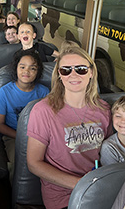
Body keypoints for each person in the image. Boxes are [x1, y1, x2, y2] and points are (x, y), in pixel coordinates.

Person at [27, 45, 112, 209]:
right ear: (59, 75)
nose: (73, 75)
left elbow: (109, 152)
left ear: (91, 72)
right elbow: (34, 163)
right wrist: (81, 184)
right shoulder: (44, 111)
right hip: (63, 196)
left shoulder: (103, 109)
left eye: (81, 69)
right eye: (66, 70)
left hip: (99, 188)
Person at [0, 50, 49, 182]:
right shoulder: (5, 92)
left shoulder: (44, 92)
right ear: (16, 69)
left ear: (38, 72)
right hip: (13, 136)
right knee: (18, 162)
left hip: (40, 138)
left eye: (32, 68)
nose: (26, 71)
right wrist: (21, 137)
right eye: (22, 67)